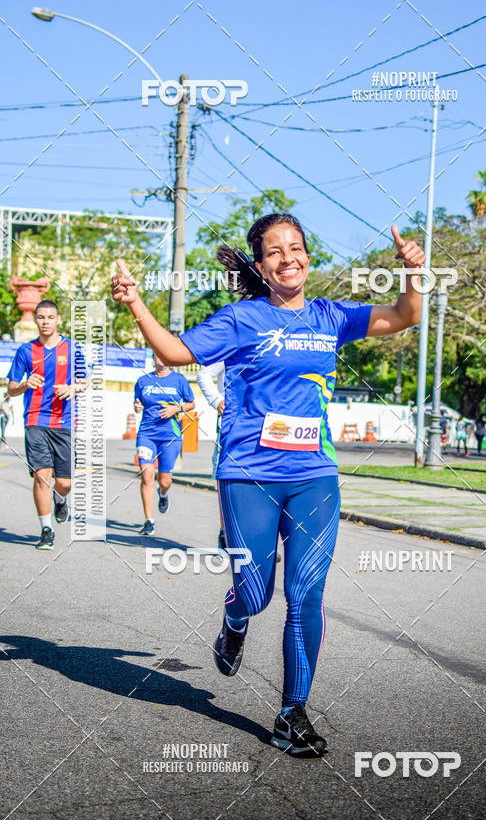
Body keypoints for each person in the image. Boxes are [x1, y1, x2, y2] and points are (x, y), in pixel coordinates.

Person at [112, 213, 424, 757]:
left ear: (308, 256)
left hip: (315, 477)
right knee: (256, 595)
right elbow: (174, 354)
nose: (288, 258)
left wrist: (415, 272)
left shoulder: (330, 316)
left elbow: (402, 317)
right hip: (248, 473)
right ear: (261, 266)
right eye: (275, 251)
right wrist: (137, 302)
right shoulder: (241, 319)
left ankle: (291, 712)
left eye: (297, 247)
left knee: (305, 593)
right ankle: (234, 617)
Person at [6, 300, 86, 549]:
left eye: (50, 317)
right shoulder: (25, 351)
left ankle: (60, 499)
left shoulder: (73, 349)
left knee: (64, 482)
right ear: (36, 320)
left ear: (58, 319)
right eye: (41, 317)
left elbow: (85, 381)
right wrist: (24, 384)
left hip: (64, 420)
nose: (45, 321)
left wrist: (72, 388)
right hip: (35, 420)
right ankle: (46, 529)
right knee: (41, 477)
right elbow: (11, 388)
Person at [133, 352, 195, 535]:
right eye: (157, 354)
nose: (161, 358)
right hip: (147, 434)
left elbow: (192, 403)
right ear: (153, 357)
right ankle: (148, 520)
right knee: (146, 474)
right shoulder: (143, 380)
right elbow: (137, 402)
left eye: (164, 354)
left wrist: (177, 408)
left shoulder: (179, 380)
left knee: (165, 480)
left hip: (171, 436)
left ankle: (163, 494)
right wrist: (136, 406)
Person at [196, 361, 226, 548]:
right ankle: (225, 533)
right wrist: (217, 400)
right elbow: (203, 374)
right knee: (226, 484)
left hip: (262, 429)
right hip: (230, 431)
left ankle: (264, 541)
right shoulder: (234, 341)